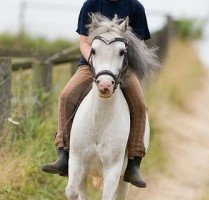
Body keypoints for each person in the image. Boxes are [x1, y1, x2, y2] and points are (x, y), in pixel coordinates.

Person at [42, 0, 151, 188]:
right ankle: (63, 153)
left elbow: (139, 45)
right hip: (92, 65)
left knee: (140, 106)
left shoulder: (135, 8)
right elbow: (84, 42)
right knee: (66, 97)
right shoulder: (90, 4)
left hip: (122, 66)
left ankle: (134, 163)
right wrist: (96, 62)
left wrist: (118, 60)